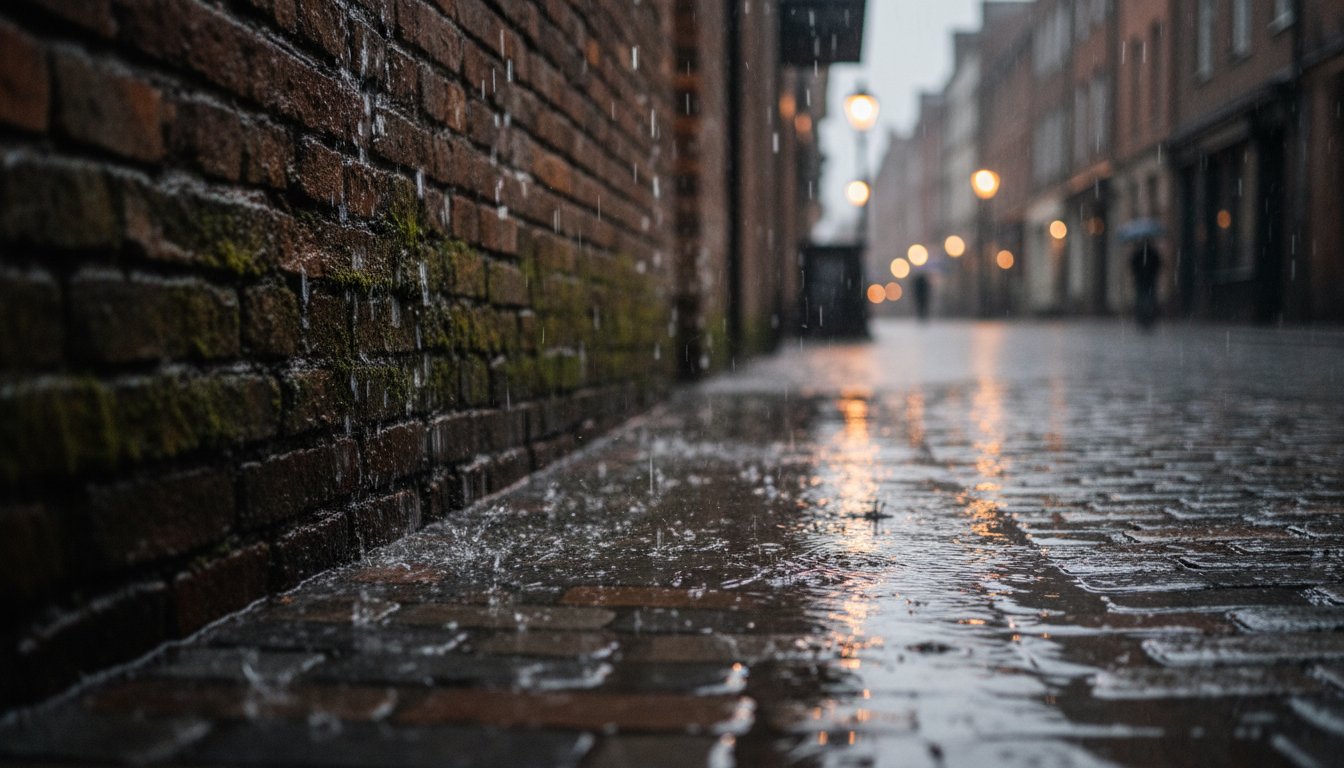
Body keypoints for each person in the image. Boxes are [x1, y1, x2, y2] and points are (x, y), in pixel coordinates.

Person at [1130, 240, 1161, 330]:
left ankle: (1143, 317)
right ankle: (1148, 317)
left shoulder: (1139, 254)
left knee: (1142, 298)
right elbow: (1158, 264)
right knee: (1149, 298)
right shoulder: (1152, 254)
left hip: (1142, 280)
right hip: (1148, 280)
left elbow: (1133, 264)